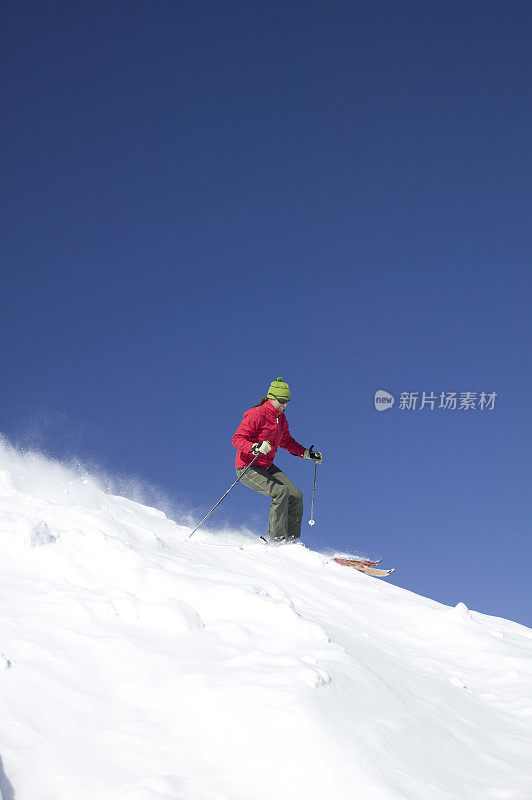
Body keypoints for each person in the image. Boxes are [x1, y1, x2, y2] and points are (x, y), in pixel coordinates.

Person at [232, 377, 322, 543]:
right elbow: (237, 438)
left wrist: (307, 454)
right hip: (247, 467)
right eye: (281, 401)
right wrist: (255, 447)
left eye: (287, 401)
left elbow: (287, 442)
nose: (284, 405)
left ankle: (292, 540)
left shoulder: (281, 419)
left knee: (296, 495)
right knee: (280, 492)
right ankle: (277, 539)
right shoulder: (256, 414)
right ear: (271, 397)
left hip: (266, 466)